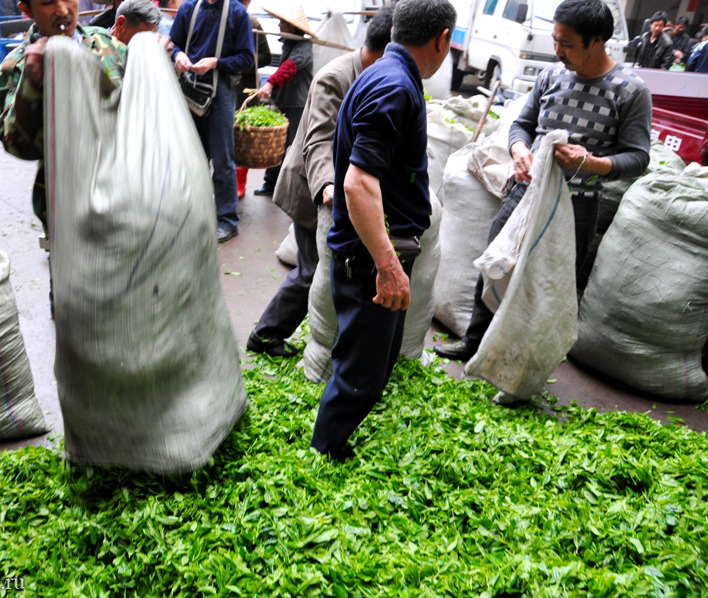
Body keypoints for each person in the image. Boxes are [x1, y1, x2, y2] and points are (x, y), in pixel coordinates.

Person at [434, 0, 652, 405]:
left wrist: (592, 162)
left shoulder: (630, 91)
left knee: (546, 283)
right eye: (555, 40)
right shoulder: (551, 76)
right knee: (494, 260)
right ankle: (475, 341)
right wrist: (519, 149)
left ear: (597, 42)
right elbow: (523, 123)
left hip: (577, 205)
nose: (557, 50)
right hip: (525, 191)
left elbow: (638, 158)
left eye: (566, 44)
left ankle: (524, 367)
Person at [309, 0, 455, 459]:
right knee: (360, 375)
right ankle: (325, 454)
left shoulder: (384, 74)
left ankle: (332, 442)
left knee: (374, 359)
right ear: (443, 40)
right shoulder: (394, 85)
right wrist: (388, 266)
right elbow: (357, 183)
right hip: (369, 258)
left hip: (376, 252)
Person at [246, 8, 392, 357]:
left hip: (339, 192)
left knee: (322, 269)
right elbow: (318, 141)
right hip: (312, 187)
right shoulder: (335, 77)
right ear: (386, 50)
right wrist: (327, 185)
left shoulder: (376, 77)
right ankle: (264, 335)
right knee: (312, 270)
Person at [0, 0, 126, 232]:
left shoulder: (107, 44)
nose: (63, 11)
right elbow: (20, 147)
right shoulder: (16, 67)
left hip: (129, 199)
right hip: (70, 213)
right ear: (26, 10)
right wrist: (31, 86)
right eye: (47, 3)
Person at [170, 0, 255, 243]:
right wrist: (179, 55)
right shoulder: (189, 8)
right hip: (190, 90)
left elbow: (247, 58)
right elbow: (174, 42)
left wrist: (216, 62)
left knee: (222, 158)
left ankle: (227, 220)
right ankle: (191, 214)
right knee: (190, 156)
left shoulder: (237, 13)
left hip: (221, 93)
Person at [252, 4, 314, 197]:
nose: (278, 25)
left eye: (281, 23)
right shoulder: (289, 43)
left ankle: (294, 189)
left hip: (296, 103)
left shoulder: (304, 47)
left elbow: (289, 67)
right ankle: (271, 184)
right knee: (277, 145)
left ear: (290, 26)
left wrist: (270, 84)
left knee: (294, 148)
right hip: (283, 102)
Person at [234, 0, 272, 200]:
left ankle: (239, 185)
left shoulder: (252, 22)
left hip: (244, 89)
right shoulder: (220, 18)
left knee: (242, 136)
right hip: (220, 86)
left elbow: (265, 56)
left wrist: (244, 59)